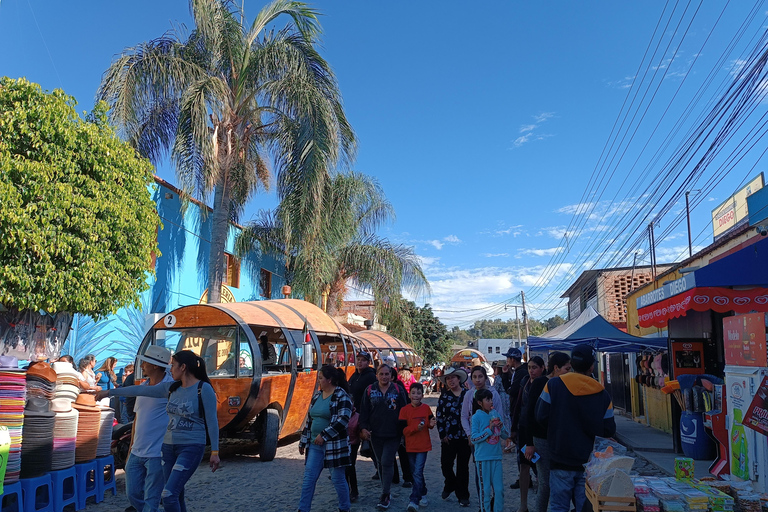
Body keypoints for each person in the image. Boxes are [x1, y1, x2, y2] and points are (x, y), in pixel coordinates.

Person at [100, 350, 220, 512]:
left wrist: (215, 451)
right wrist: (109, 392)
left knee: (169, 495)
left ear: (183, 367)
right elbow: (139, 391)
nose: (170, 369)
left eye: (173, 365)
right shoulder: (171, 388)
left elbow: (212, 421)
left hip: (190, 447)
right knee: (177, 494)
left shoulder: (203, 389)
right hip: (168, 448)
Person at [535, 344, 616, 512]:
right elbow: (609, 429)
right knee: (585, 507)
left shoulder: (553, 385)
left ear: (572, 363)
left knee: (558, 506)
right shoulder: (602, 394)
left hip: (559, 457)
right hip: (589, 462)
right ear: (591, 366)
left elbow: (540, 416)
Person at [123, 346, 174, 512]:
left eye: (145, 362)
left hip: (157, 454)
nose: (142, 365)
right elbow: (137, 419)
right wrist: (130, 449)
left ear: (155, 366)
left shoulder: (170, 387)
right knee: (132, 494)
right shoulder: (143, 386)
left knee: (151, 499)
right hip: (137, 451)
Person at [298, 365, 353, 512]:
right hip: (314, 445)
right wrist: (303, 441)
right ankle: (303, 509)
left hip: (334, 446)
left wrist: (324, 435)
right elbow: (309, 420)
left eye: (321, 378)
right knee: (309, 479)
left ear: (329, 380)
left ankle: (344, 507)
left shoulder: (342, 396)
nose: (319, 381)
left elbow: (343, 420)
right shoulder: (317, 396)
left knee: (337, 479)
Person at [359, 363, 408, 510]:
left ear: (391, 375)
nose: (384, 376)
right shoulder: (370, 390)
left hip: (394, 433)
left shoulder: (398, 389)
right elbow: (364, 411)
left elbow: (405, 410)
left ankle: (385, 493)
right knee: (380, 462)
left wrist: (405, 432)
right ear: (377, 375)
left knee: (387, 461)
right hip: (376, 433)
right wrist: (363, 428)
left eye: (387, 374)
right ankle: (385, 488)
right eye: (381, 374)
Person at [529, 352, 571, 512]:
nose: (569, 371)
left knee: (560, 480)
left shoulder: (565, 384)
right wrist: (529, 443)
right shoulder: (540, 383)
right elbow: (529, 414)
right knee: (545, 482)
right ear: (556, 368)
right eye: (567, 368)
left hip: (559, 439)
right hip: (541, 439)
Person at [461, 365, 508, 506]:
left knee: (497, 485)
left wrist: (500, 429)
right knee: (481, 477)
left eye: (480, 376)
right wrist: (469, 434)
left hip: (494, 445)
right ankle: (485, 506)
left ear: (485, 377)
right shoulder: (469, 395)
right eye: (474, 377)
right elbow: (464, 416)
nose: (477, 380)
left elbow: (500, 415)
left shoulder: (494, 394)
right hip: (477, 439)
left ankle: (494, 504)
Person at [436, 367, 471, 507]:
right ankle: (450, 483)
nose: (451, 380)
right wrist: (442, 434)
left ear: (459, 379)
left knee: (463, 468)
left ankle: (463, 495)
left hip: (465, 436)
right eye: (448, 378)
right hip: (449, 437)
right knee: (446, 465)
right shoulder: (444, 396)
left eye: (453, 377)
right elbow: (439, 416)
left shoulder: (468, 394)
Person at [346, 351, 378, 502]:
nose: (359, 362)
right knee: (362, 450)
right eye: (358, 360)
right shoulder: (354, 376)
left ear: (368, 362)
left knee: (371, 447)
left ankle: (383, 470)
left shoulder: (370, 376)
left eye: (363, 360)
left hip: (362, 417)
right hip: (352, 417)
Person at [471, 388, 509, 512]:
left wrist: (501, 428)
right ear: (480, 402)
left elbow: (504, 436)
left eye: (491, 399)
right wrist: (489, 430)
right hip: (483, 458)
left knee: (499, 490)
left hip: (496, 456)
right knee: (485, 490)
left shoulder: (495, 414)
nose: (491, 402)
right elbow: (474, 439)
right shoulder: (476, 417)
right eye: (487, 399)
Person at [399, 382, 435, 512]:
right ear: (409, 395)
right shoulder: (404, 410)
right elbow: (403, 430)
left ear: (422, 395)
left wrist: (431, 423)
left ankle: (414, 499)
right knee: (416, 473)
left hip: (423, 445)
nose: (416, 395)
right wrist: (415, 428)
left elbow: (431, 422)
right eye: (413, 393)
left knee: (418, 472)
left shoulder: (426, 409)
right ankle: (423, 492)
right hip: (410, 446)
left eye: (418, 393)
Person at [516, 356, 545, 512]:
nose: (531, 370)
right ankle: (523, 505)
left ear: (542, 368)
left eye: (535, 367)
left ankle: (542, 502)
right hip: (525, 429)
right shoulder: (525, 383)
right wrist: (514, 428)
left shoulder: (547, 384)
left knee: (541, 468)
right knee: (524, 466)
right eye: (529, 367)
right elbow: (519, 405)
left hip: (540, 432)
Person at [500, 348, 527, 489]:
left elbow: (511, 391)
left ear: (512, 359)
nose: (506, 361)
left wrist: (505, 376)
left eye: (508, 358)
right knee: (523, 448)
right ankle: (527, 476)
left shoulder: (521, 372)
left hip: (519, 414)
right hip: (520, 413)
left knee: (522, 449)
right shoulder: (520, 371)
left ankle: (525, 477)